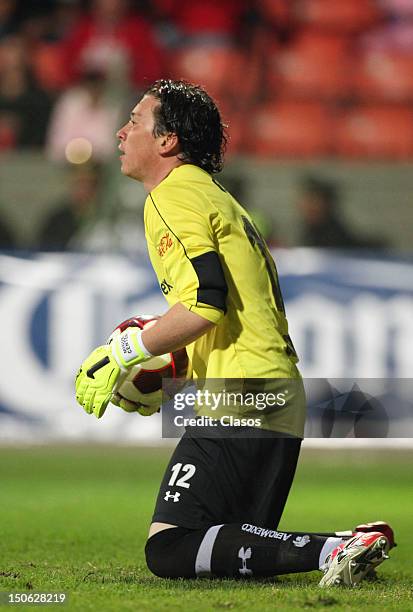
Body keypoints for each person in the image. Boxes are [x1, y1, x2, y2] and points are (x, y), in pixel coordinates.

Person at [75, 80, 394, 586]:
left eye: (135, 120)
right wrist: (171, 368)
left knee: (170, 547)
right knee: (225, 551)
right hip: (276, 395)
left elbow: (205, 303)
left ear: (166, 140)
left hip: (240, 394)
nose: (120, 131)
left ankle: (338, 548)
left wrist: (122, 350)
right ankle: (344, 549)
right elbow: (221, 310)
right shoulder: (213, 195)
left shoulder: (171, 195)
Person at [296, 175, 388, 249]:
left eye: (313, 200)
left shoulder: (333, 236)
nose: (305, 205)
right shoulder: (308, 230)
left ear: (325, 204)